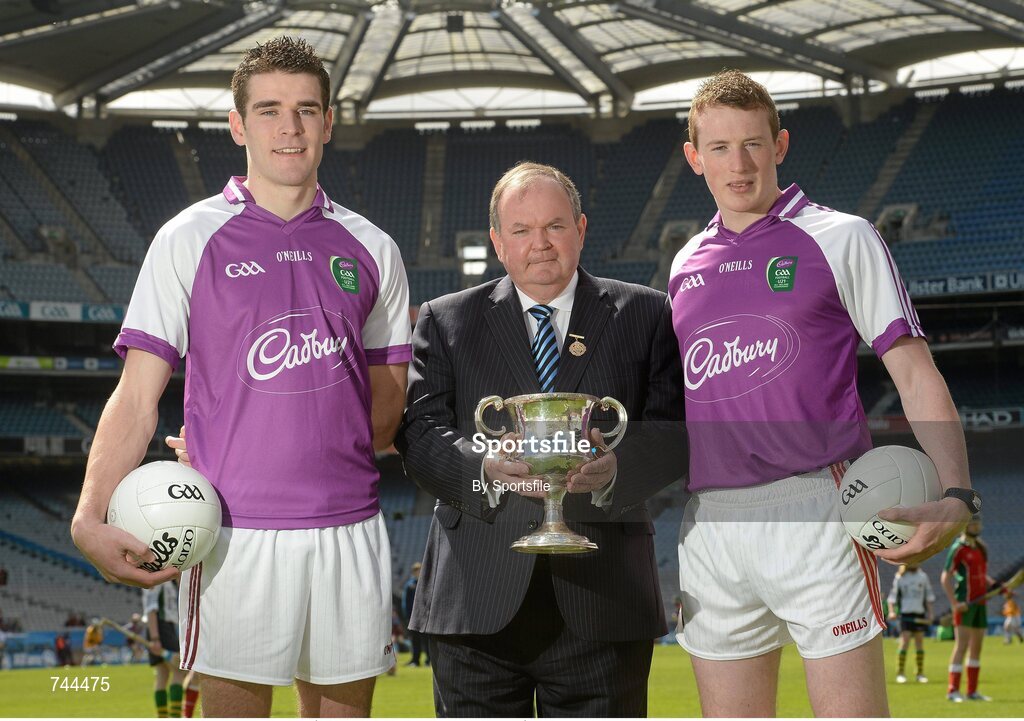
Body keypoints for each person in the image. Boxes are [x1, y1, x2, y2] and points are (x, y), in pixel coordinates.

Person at [70, 36, 411, 717]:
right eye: (269, 110)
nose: (289, 127)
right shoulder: (189, 238)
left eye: (307, 109)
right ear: (237, 124)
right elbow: (138, 397)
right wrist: (88, 513)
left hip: (350, 528)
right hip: (234, 533)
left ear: (329, 122)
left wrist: (280, 433)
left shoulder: (374, 248)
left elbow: (385, 413)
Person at [668, 69, 977, 717]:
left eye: (753, 143)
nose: (739, 164)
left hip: (813, 506)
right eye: (719, 148)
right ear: (694, 158)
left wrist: (956, 492)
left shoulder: (842, 237)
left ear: (781, 144)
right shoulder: (685, 262)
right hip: (710, 523)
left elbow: (915, 370)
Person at [395, 161, 687, 716]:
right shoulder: (446, 320)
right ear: (498, 243)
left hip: (604, 599)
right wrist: (482, 465)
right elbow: (419, 431)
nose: (541, 244)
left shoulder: (646, 314)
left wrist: (618, 465)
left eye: (554, 226)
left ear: (580, 229)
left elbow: (676, 429)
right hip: (476, 599)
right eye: (522, 230)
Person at [941, 515, 996, 701]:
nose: (976, 525)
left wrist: (992, 583)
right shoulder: (958, 549)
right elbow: (945, 577)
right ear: (965, 526)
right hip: (965, 604)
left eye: (978, 522)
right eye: (973, 523)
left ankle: (972, 692)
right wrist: (955, 604)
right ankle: (953, 691)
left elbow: (980, 573)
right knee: (961, 646)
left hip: (980, 604)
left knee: (976, 648)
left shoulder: (980, 547)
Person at [144, 580, 186, 717]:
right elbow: (151, 609)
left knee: (163, 674)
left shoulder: (165, 581)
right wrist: (155, 638)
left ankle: (163, 717)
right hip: (161, 628)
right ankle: (175, 717)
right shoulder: (155, 579)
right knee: (179, 671)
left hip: (163, 628)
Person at [887, 563, 935, 683]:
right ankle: (900, 673)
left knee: (919, 643)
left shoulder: (922, 577)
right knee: (905, 642)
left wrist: (930, 613)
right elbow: (892, 598)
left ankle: (920, 673)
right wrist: (892, 612)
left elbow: (928, 597)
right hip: (906, 615)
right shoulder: (900, 577)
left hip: (919, 614)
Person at [401, 562, 428, 667]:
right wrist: (407, 616)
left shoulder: (426, 583)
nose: (419, 572)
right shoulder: (410, 585)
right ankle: (415, 660)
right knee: (415, 640)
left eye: (420, 570)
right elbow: (405, 601)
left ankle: (428, 660)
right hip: (413, 617)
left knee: (426, 640)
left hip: (425, 617)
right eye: (417, 570)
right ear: (414, 572)